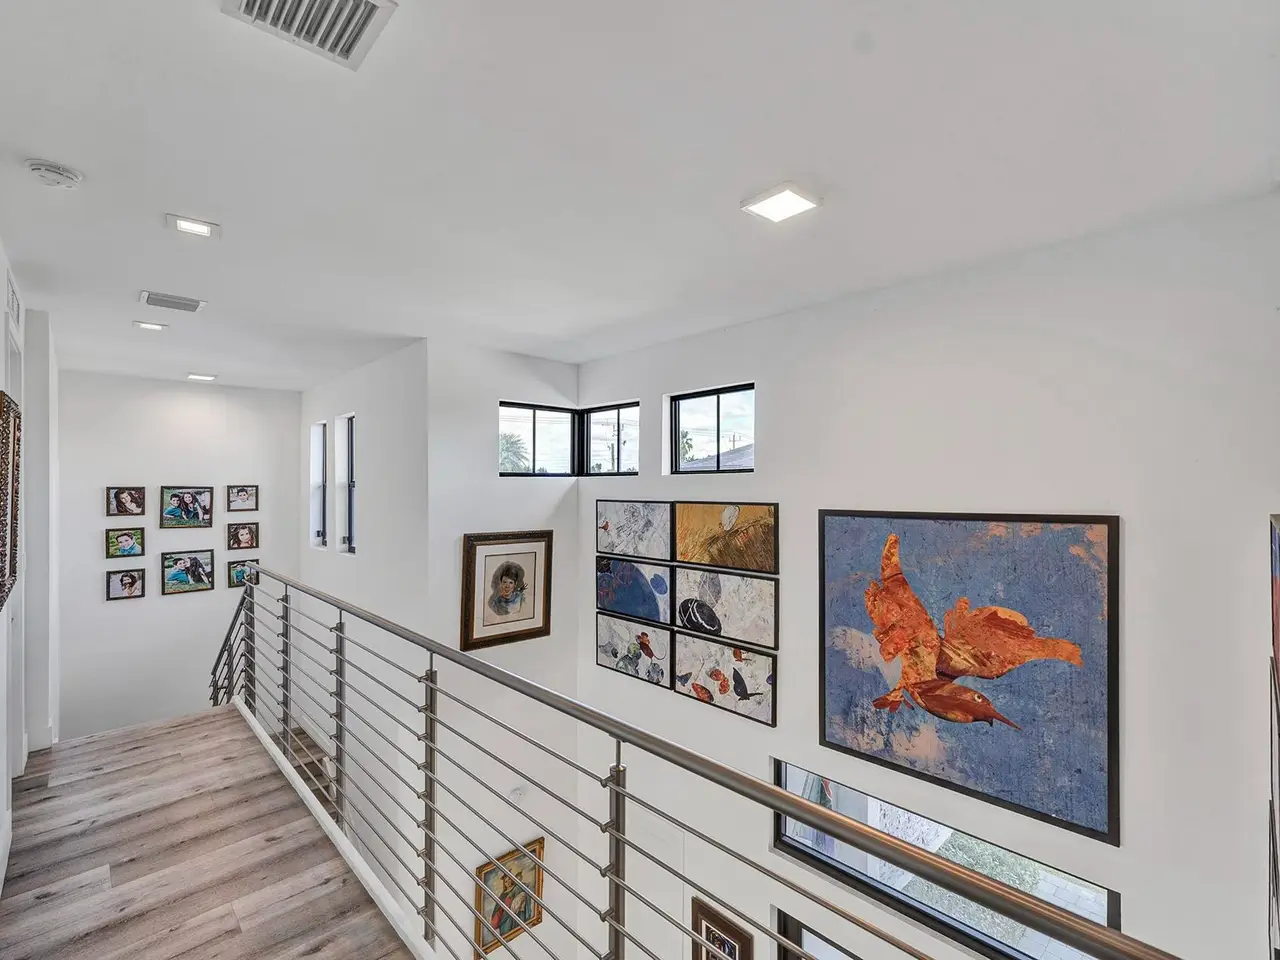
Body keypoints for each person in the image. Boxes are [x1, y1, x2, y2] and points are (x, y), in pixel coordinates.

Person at [487, 872, 534, 938]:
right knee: (506, 931)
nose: (508, 882)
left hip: (515, 913)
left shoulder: (517, 887)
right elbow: (498, 907)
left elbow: (525, 891)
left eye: (509, 879)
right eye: (506, 881)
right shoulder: (503, 894)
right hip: (504, 916)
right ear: (504, 883)